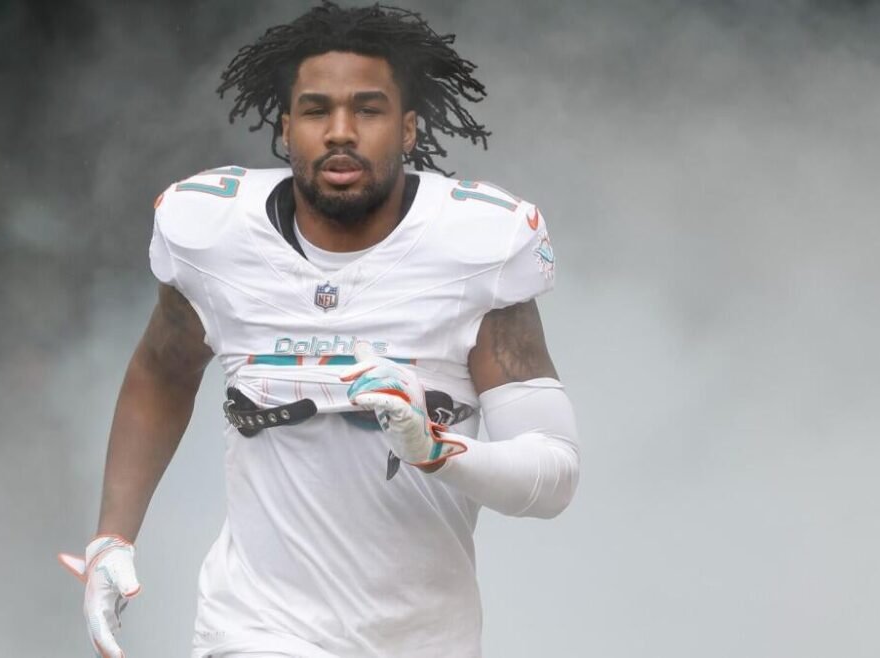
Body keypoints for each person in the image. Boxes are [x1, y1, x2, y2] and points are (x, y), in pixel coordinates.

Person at [59, 3, 580, 657]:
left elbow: (554, 474)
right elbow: (162, 372)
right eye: (315, 110)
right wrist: (113, 537)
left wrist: (436, 449)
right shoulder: (214, 233)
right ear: (285, 128)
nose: (340, 132)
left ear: (408, 128)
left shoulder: (479, 247)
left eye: (368, 109)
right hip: (256, 630)